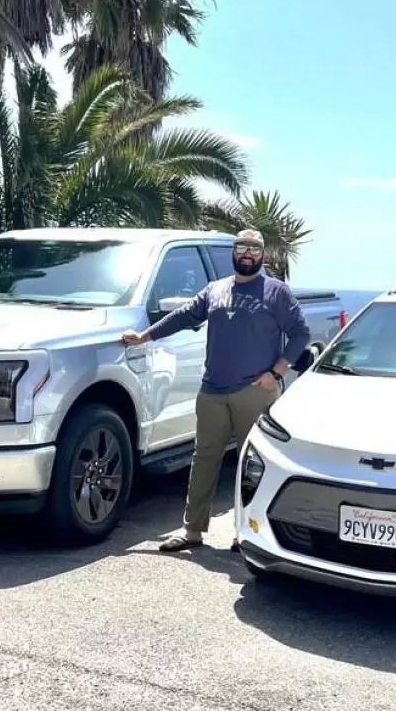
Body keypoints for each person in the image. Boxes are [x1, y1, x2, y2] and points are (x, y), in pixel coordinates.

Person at [121, 229, 311, 552]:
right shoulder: (215, 290)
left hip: (254, 390)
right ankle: (192, 530)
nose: (247, 254)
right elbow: (182, 317)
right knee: (204, 458)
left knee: (251, 462)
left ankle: (247, 532)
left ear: (262, 255)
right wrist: (144, 337)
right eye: (242, 248)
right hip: (212, 391)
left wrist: (276, 373)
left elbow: (300, 334)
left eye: (254, 248)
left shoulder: (276, 292)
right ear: (234, 253)